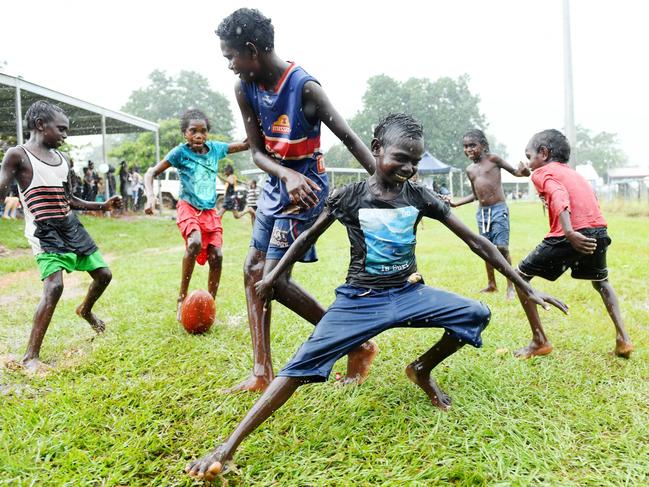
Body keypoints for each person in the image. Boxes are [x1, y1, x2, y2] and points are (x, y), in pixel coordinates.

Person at [185, 113, 567, 480]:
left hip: (408, 292)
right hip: (359, 300)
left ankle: (421, 370)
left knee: (474, 313)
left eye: (414, 162)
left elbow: (476, 241)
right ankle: (227, 448)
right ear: (376, 149)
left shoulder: (418, 195)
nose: (409, 168)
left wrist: (524, 283)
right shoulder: (349, 196)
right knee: (300, 364)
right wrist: (272, 276)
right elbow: (306, 237)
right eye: (401, 158)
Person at [216, 8, 379, 392]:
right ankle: (260, 372)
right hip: (278, 182)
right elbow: (257, 153)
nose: (229, 66)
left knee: (273, 280)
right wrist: (283, 174)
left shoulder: (305, 88)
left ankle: (358, 344)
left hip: (307, 188)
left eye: (230, 57)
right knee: (252, 270)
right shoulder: (246, 88)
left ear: (252, 50)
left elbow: (351, 140)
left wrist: (387, 182)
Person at [0, 100, 121, 372]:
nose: (65, 136)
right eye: (62, 129)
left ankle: (85, 310)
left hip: (70, 226)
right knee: (54, 286)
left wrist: (103, 205)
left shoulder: (64, 160)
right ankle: (30, 356)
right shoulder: (17, 155)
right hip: (44, 231)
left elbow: (69, 199)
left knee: (104, 275)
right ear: (41, 125)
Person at [514, 129, 634, 359]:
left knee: (519, 277)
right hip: (598, 230)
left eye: (529, 156)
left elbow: (558, 193)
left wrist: (569, 231)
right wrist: (525, 169)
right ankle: (623, 339)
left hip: (571, 233)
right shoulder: (574, 174)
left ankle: (540, 340)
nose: (529, 163)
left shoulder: (542, 173)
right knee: (601, 282)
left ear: (544, 153)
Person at [144, 109, 248, 320]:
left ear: (208, 134)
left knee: (217, 256)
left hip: (209, 212)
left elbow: (246, 144)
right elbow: (150, 172)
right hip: (188, 207)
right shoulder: (179, 153)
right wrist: (150, 197)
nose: (198, 135)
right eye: (193, 131)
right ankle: (182, 298)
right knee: (194, 243)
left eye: (203, 131)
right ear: (185, 133)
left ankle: (210, 304)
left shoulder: (216, 150)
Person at [447, 129, 530, 300]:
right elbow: (475, 195)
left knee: (502, 248)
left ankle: (511, 285)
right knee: (486, 249)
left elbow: (516, 172)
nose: (468, 149)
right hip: (482, 213)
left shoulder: (493, 159)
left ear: (483, 145)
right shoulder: (470, 169)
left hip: (499, 209)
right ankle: (492, 284)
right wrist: (456, 202)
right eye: (465, 146)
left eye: (472, 145)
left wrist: (525, 172)